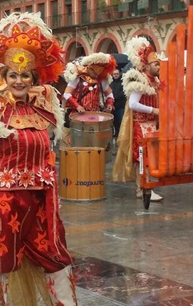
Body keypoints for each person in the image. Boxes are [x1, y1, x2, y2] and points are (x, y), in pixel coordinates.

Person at [0, 12, 106, 306]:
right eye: (13, 74)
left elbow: (49, 151)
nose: (19, 80)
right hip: (3, 198)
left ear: (34, 76)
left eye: (25, 74)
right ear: (3, 75)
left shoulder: (46, 108)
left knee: (57, 257)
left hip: (42, 197)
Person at [111, 37, 163, 202]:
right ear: (147, 66)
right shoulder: (140, 79)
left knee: (148, 157)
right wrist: (153, 110)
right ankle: (144, 187)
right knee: (143, 157)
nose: (159, 67)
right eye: (156, 64)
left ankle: (142, 188)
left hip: (151, 124)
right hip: (141, 125)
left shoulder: (156, 81)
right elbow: (133, 104)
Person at [62, 53, 116, 117]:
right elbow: (66, 94)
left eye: (98, 73)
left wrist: (109, 103)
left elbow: (109, 94)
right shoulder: (78, 78)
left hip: (95, 114)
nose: (96, 75)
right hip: (78, 114)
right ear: (89, 68)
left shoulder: (101, 80)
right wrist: (77, 106)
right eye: (94, 72)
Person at [109, 68, 125, 143]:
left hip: (120, 106)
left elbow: (123, 93)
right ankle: (115, 134)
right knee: (114, 122)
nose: (115, 75)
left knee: (120, 121)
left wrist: (114, 97)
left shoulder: (123, 83)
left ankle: (120, 135)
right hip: (112, 106)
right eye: (114, 74)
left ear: (119, 74)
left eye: (117, 74)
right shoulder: (110, 83)